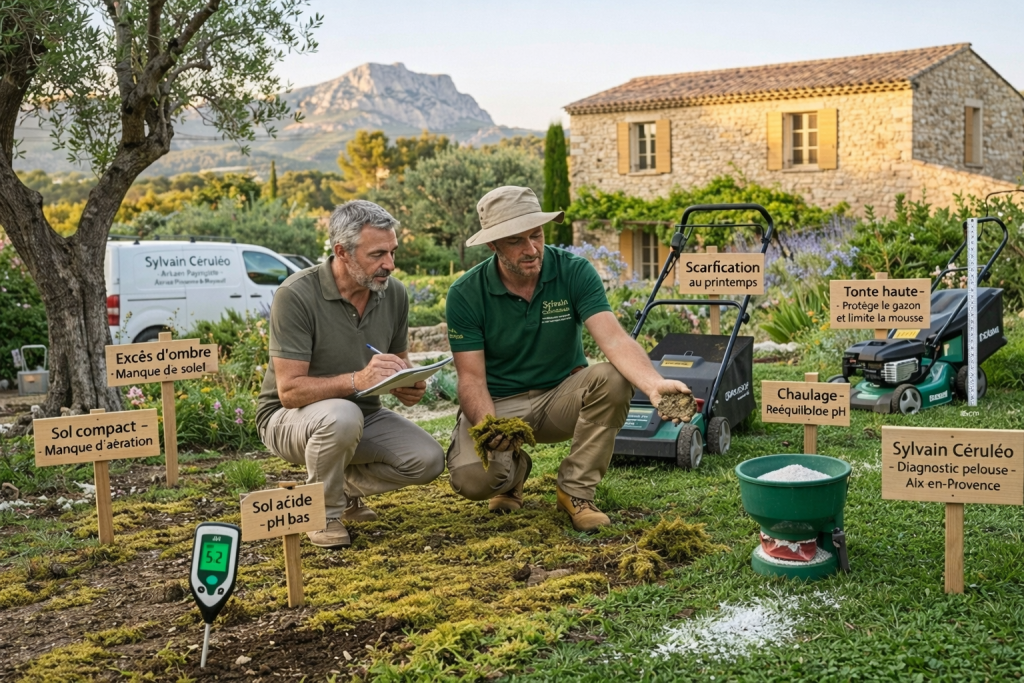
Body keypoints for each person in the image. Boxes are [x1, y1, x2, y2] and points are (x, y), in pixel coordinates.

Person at [444, 186, 691, 531]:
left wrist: (653, 384)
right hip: (499, 405)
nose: (531, 249)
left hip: (559, 398)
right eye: (516, 241)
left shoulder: (573, 271)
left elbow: (616, 340)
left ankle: (575, 492)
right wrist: (490, 427)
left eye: (537, 235)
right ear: (492, 245)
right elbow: (471, 379)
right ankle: (512, 473)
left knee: (613, 379)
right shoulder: (466, 294)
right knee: (473, 480)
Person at [256, 200, 445, 549]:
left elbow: (396, 364)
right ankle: (322, 514)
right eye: (377, 255)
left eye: (392, 251)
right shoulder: (295, 295)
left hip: (362, 417)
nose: (390, 264)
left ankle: (338, 488)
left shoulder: (394, 293)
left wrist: (408, 385)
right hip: (286, 419)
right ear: (342, 252)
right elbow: (290, 392)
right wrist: (358, 380)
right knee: (342, 415)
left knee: (428, 460)